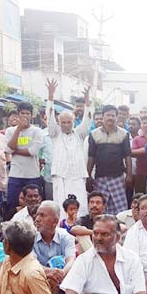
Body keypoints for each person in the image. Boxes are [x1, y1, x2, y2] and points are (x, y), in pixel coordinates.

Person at [43, 79, 91, 214]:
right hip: (60, 175)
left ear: (73, 122)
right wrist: (50, 96)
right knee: (61, 206)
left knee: (80, 206)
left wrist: (87, 101)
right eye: (63, 122)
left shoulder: (79, 134)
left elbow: (87, 120)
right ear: (59, 123)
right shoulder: (55, 133)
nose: (65, 125)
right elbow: (49, 117)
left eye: (68, 122)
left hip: (77, 174)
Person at [88, 104, 133, 215]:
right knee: (100, 208)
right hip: (100, 177)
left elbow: (128, 156)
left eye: (113, 115)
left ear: (116, 117)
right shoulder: (94, 134)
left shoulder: (123, 134)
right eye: (108, 115)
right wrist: (88, 175)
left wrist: (129, 174)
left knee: (120, 209)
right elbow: (91, 156)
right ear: (103, 117)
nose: (110, 118)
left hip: (117, 176)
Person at [5, 102, 44, 216]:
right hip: (15, 175)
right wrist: (18, 129)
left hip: (32, 175)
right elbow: (8, 149)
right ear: (18, 115)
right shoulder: (10, 131)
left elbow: (33, 151)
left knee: (34, 207)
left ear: (32, 115)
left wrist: (14, 151)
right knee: (13, 205)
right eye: (22, 113)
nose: (25, 116)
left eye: (27, 113)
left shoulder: (37, 131)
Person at [32, 200, 76, 294]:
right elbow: (31, 264)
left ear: (55, 222)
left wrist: (59, 275)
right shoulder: (30, 238)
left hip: (62, 281)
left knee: (59, 262)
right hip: (39, 280)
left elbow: (71, 261)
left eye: (42, 215)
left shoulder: (66, 237)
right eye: (37, 215)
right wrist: (49, 272)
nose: (37, 219)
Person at [130, 116, 147, 195]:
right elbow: (132, 152)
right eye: (144, 123)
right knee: (140, 197)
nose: (146, 125)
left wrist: (141, 151)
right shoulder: (137, 139)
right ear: (141, 125)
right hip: (140, 173)